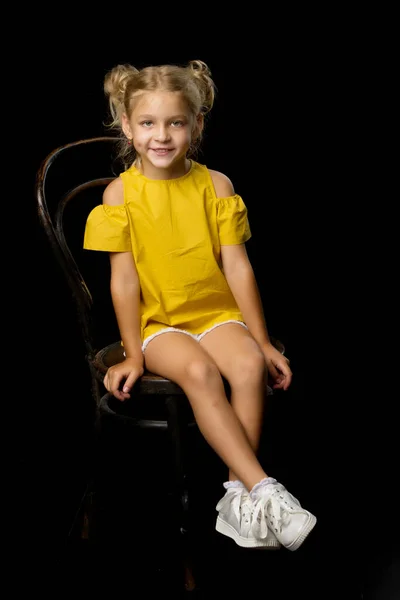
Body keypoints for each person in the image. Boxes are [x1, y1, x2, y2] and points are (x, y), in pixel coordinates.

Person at [83, 59, 316, 551]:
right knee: (202, 373)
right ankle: (263, 487)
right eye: (147, 123)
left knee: (250, 365)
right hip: (158, 324)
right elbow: (123, 283)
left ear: (197, 124)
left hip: (215, 315)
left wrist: (260, 339)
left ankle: (238, 500)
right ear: (127, 125)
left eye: (175, 122)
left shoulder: (216, 186)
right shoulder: (119, 194)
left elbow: (238, 269)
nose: (161, 136)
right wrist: (132, 353)